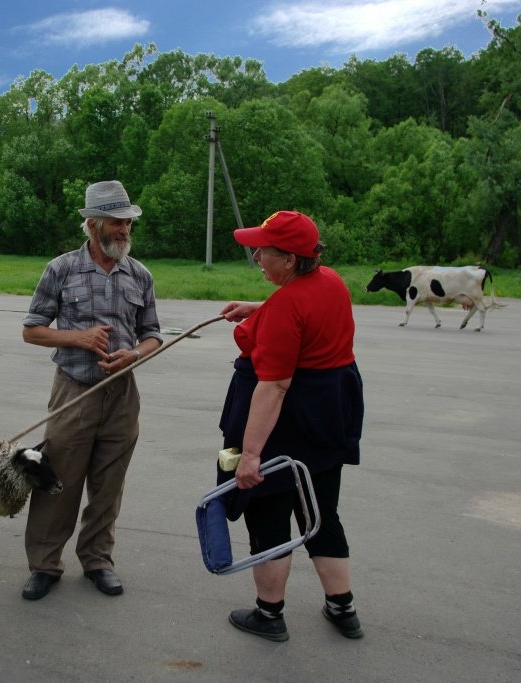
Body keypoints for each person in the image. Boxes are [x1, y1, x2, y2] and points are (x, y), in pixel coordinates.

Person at [217, 210, 365, 641]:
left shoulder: (286, 305)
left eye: (263, 251)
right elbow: (304, 309)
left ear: (291, 259)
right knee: (320, 512)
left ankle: (269, 614)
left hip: (286, 423)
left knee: (267, 516)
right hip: (327, 419)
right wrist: (260, 308)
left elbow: (274, 387)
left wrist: (250, 456)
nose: (257, 256)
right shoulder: (331, 282)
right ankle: (343, 607)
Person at [20, 180, 163, 601]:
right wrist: (79, 339)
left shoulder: (140, 275)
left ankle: (98, 560)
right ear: (92, 224)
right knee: (58, 482)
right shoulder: (61, 269)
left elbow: (153, 334)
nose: (124, 231)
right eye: (117, 223)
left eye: (127, 223)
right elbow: (32, 331)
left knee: (108, 485)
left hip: (122, 397)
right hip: (73, 392)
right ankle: (45, 564)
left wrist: (134, 355)